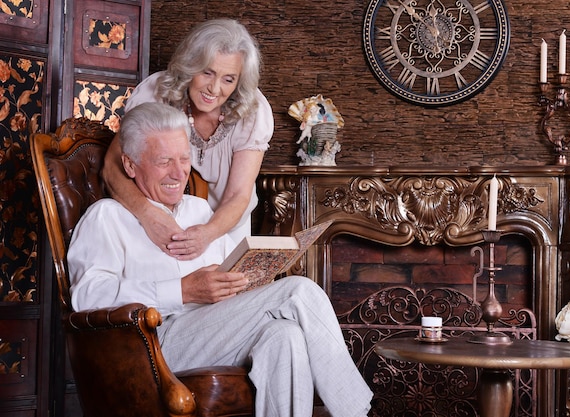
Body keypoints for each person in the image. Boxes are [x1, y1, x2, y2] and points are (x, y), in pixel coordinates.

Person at [68, 102, 373, 417]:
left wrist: (253, 277)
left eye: (185, 158)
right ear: (130, 166)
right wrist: (183, 290)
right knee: (299, 291)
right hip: (152, 348)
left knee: (286, 337)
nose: (178, 172)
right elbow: (87, 296)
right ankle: (357, 413)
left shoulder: (198, 211)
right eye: (163, 162)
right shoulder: (107, 216)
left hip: (213, 334)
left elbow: (233, 276)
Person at [102, 18, 273, 261]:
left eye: (228, 79)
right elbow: (112, 167)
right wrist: (148, 215)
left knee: (229, 295)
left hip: (227, 224)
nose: (214, 89)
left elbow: (238, 195)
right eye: (207, 72)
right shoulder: (155, 93)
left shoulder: (253, 112)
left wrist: (208, 234)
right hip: (159, 217)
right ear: (190, 65)